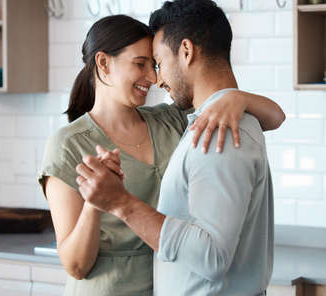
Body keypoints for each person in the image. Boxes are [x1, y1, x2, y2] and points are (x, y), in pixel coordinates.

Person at [39, 13, 283, 296]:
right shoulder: (68, 145)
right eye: (141, 64)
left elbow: (275, 118)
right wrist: (97, 202)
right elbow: (76, 266)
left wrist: (237, 98)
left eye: (154, 64)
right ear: (103, 63)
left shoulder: (170, 120)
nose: (154, 78)